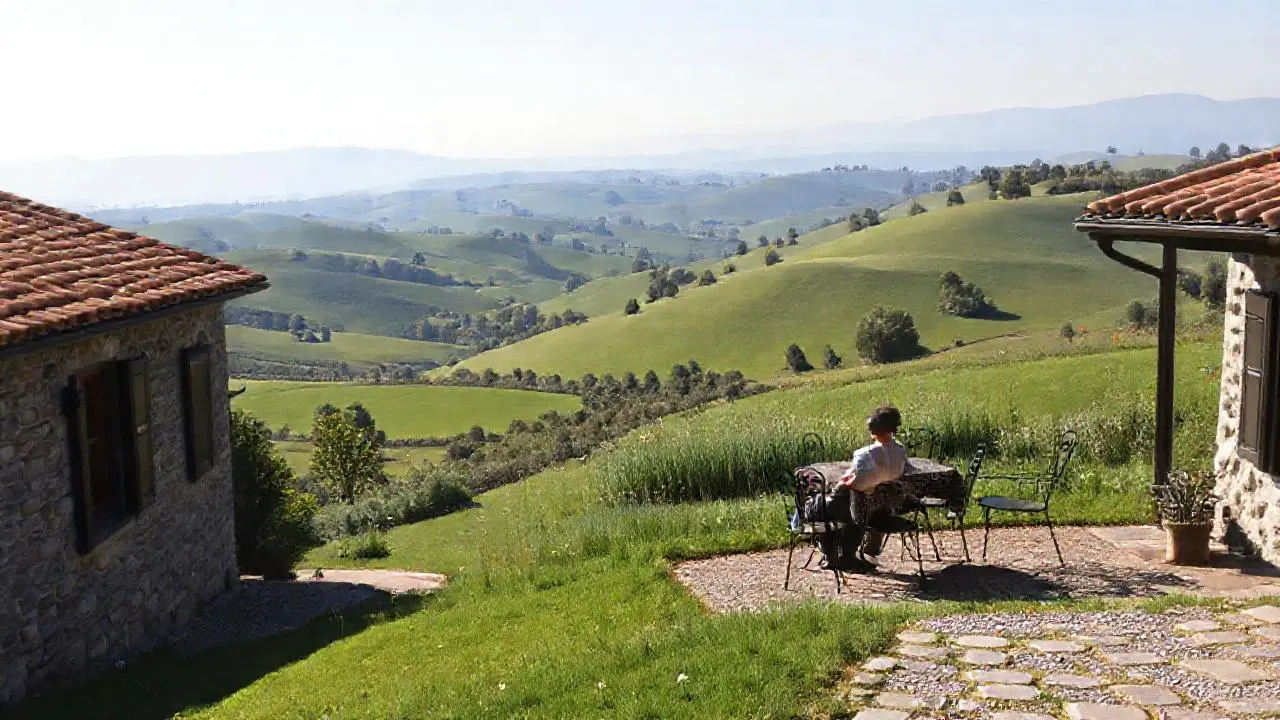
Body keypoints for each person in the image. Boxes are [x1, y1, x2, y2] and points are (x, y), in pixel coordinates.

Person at [804, 405, 908, 571]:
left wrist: (844, 482)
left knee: (818, 504)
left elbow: (856, 483)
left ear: (873, 429)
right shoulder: (901, 450)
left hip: (859, 511)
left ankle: (835, 555)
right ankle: (856, 551)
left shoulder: (865, 454)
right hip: (884, 507)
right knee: (837, 502)